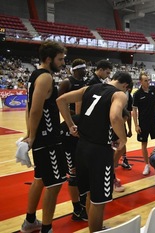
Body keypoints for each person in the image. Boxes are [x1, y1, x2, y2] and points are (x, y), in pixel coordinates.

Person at [57, 71, 132, 232]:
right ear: (125, 86)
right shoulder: (119, 95)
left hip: (82, 148)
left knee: (91, 195)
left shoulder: (89, 88)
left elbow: (61, 100)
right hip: (99, 152)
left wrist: (71, 125)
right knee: (99, 201)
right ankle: (96, 229)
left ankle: (95, 227)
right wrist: (123, 139)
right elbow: (115, 117)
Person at [21, 41, 67, 233]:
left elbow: (29, 106)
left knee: (39, 178)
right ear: (49, 59)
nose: (63, 63)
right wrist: (32, 137)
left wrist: (31, 133)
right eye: (60, 59)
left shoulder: (35, 75)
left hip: (43, 137)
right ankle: (46, 229)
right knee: (54, 184)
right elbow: (35, 109)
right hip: (48, 140)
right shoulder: (46, 77)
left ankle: (30, 221)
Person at [58, 58, 88, 221]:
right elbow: (58, 103)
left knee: (82, 171)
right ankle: (77, 209)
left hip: (79, 127)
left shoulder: (84, 83)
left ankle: (82, 204)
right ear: (76, 69)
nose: (85, 71)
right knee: (74, 174)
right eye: (83, 69)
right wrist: (70, 120)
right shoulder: (66, 83)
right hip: (68, 130)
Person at [133, 72, 155, 176]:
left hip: (154, 121)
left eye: (149, 80)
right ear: (140, 82)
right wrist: (136, 125)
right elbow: (134, 110)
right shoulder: (137, 94)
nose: (148, 82)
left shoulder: (154, 90)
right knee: (144, 144)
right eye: (146, 80)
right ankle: (147, 165)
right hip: (143, 123)